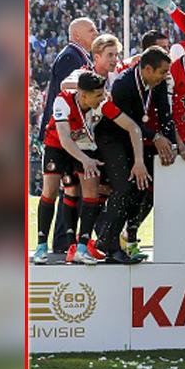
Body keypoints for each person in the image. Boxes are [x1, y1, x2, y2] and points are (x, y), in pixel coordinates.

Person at [34, 72, 150, 265]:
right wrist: (85, 160)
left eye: (103, 93)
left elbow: (133, 127)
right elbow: (64, 139)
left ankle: (82, 248)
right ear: (83, 94)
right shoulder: (62, 101)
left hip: (84, 147)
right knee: (50, 190)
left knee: (92, 191)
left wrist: (139, 161)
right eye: (98, 95)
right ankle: (41, 246)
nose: (102, 97)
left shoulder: (102, 103)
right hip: (57, 146)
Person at [94, 47, 177, 264]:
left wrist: (171, 143)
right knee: (124, 186)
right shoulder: (123, 84)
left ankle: (128, 238)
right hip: (113, 137)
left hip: (137, 138)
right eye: (162, 72)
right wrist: (156, 136)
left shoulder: (157, 82)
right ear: (148, 69)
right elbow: (129, 123)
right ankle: (107, 242)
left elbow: (164, 113)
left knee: (144, 187)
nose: (165, 76)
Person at [38, 16, 98, 254]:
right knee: (66, 188)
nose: (96, 32)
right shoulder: (70, 57)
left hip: (72, 131)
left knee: (73, 188)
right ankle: (63, 241)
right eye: (91, 29)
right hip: (62, 131)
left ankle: (69, 241)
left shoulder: (78, 56)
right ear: (76, 35)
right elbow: (65, 91)